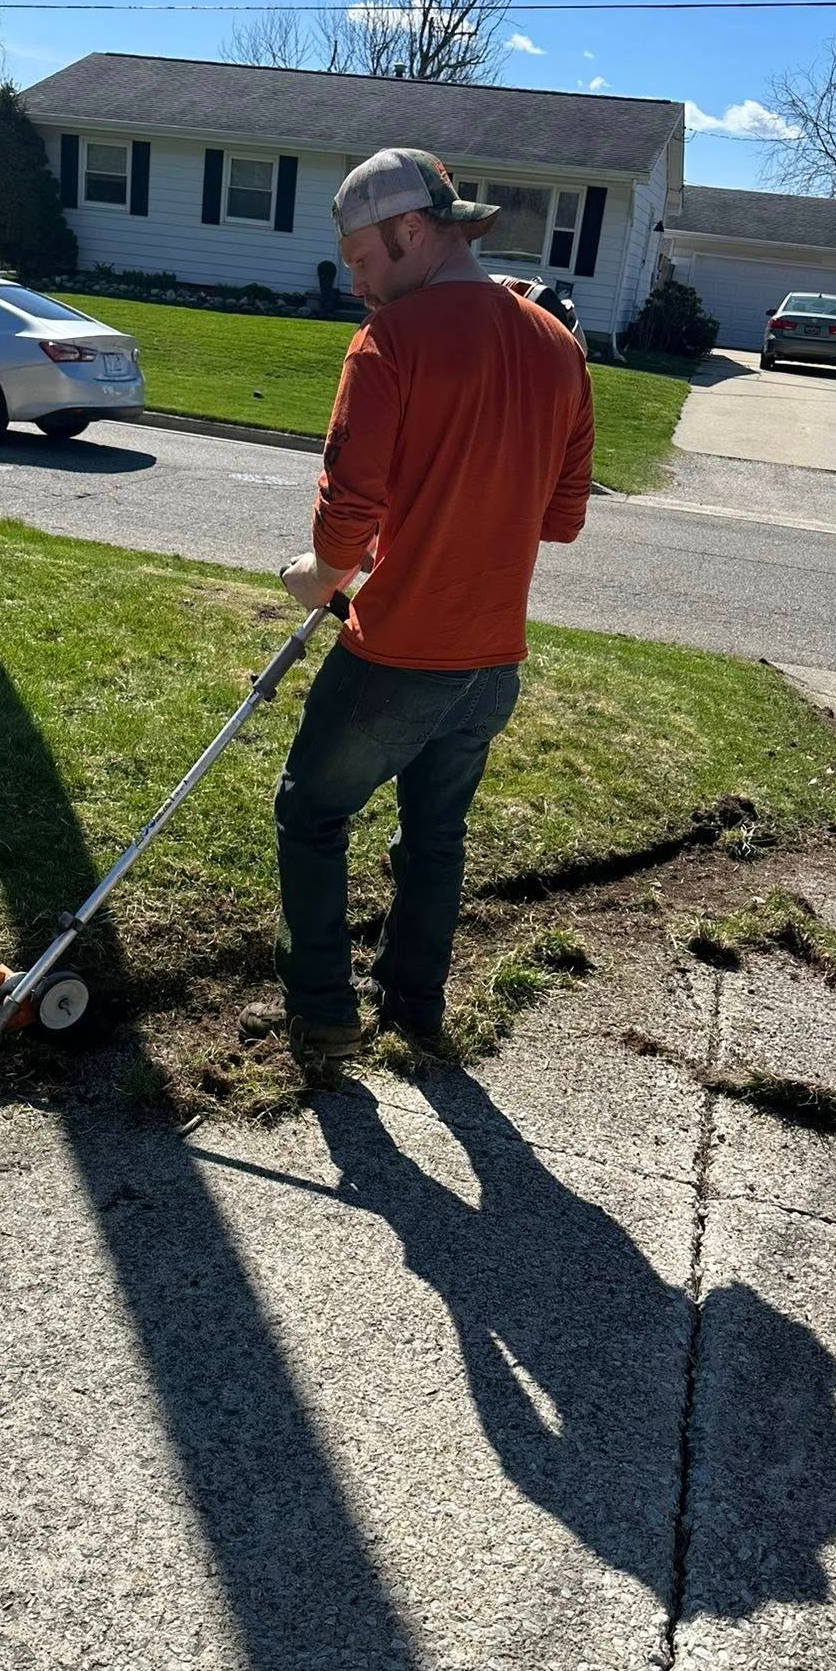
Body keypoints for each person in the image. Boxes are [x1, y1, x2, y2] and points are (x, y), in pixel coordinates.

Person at [239, 147, 595, 1068]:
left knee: (310, 813)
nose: (356, 284)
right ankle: (416, 1011)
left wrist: (320, 575)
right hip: (492, 664)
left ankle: (322, 1014)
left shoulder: (390, 342)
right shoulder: (559, 349)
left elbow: (348, 506)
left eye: (362, 261)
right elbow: (561, 521)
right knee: (435, 835)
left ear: (409, 232)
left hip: (398, 657)